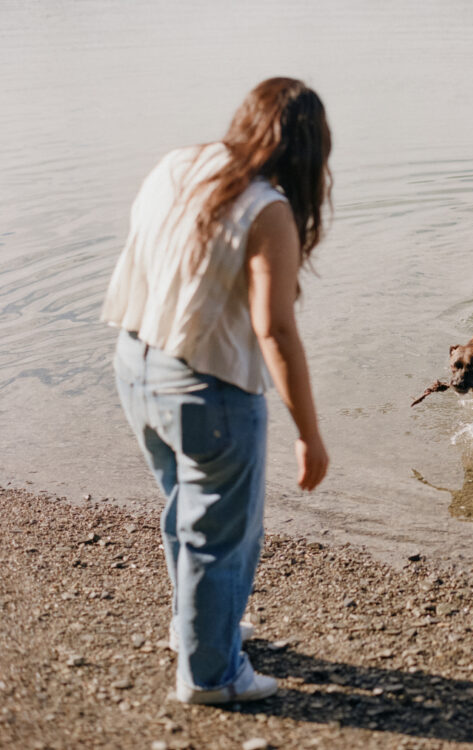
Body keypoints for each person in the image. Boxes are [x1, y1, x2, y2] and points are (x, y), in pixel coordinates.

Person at [101, 77, 332, 704]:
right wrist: (310, 435)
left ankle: (197, 630)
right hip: (208, 389)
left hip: (135, 362)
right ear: (308, 152)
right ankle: (213, 676)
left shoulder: (182, 163)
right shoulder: (268, 209)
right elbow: (275, 329)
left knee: (185, 512)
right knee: (222, 536)